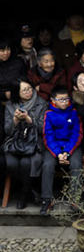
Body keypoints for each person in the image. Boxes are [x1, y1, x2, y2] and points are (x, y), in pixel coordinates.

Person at [4, 79, 48, 211]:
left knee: (26, 163)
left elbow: (44, 129)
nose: (29, 92)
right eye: (24, 90)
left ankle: (23, 195)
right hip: (15, 143)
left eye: (30, 88)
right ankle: (30, 191)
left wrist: (30, 120)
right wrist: (15, 121)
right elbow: (7, 131)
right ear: (17, 92)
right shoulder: (10, 105)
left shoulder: (41, 103)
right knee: (11, 163)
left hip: (35, 143)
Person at [43, 86, 83, 201]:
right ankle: (46, 199)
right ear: (53, 100)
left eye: (66, 99)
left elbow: (77, 134)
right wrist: (58, 154)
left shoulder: (74, 112)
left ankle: (74, 199)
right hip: (53, 147)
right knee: (47, 165)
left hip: (71, 146)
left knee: (76, 165)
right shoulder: (49, 114)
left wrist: (67, 152)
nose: (64, 102)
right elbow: (48, 136)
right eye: (61, 100)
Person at [0, 37, 27, 103]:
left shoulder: (18, 62)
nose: (6, 53)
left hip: (21, 95)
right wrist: (4, 94)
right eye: (2, 50)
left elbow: (25, 77)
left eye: (8, 49)